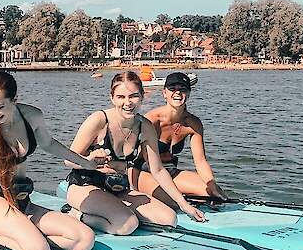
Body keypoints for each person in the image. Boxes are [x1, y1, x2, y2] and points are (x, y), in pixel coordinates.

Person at [0, 71, 104, 250]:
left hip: (23, 200)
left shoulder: (32, 117)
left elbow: (49, 144)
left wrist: (86, 163)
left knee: (85, 240)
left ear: (15, 99)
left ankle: (26, 237)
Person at [63, 71, 205, 235]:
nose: (128, 102)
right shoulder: (99, 120)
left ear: (142, 96)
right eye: (121, 97)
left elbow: (157, 170)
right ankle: (76, 214)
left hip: (118, 188)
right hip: (85, 186)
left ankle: (115, 210)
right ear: (112, 98)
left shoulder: (145, 127)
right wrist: (89, 160)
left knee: (169, 219)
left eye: (133, 96)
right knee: (127, 225)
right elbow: (68, 161)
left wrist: (184, 204)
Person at [133, 72, 227, 205]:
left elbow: (200, 161)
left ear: (188, 94)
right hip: (143, 173)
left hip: (171, 172)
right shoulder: (151, 120)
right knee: (173, 201)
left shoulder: (193, 123)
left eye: (182, 89)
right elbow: (130, 158)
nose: (177, 93)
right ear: (164, 93)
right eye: (172, 89)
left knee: (213, 193)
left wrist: (211, 185)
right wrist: (131, 189)